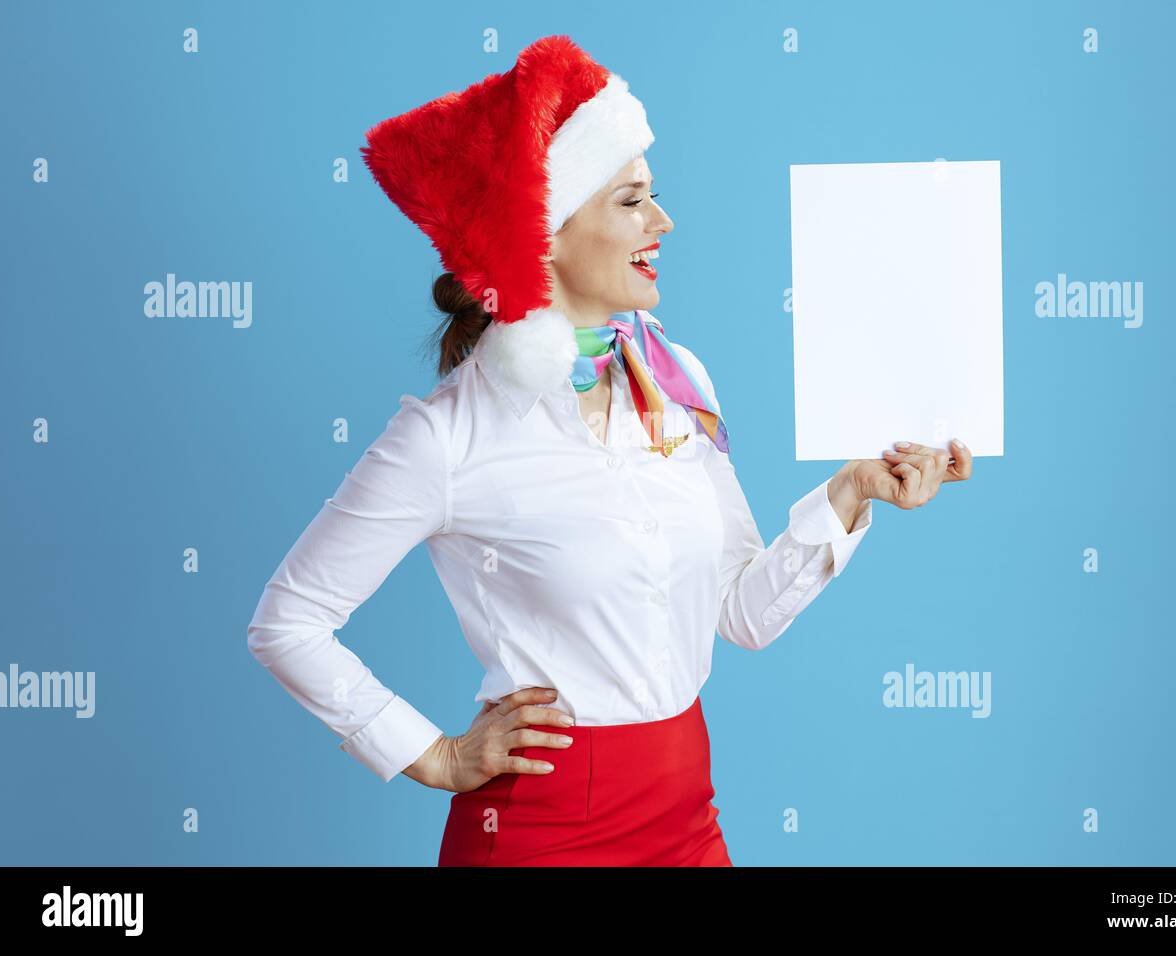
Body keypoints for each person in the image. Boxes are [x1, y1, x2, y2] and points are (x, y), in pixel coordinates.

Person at [246, 35, 972, 867]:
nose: (662, 221)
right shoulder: (448, 436)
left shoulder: (673, 376)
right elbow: (288, 622)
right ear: (544, 232)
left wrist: (851, 494)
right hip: (539, 830)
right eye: (631, 201)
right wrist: (433, 754)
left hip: (686, 812)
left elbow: (740, 615)